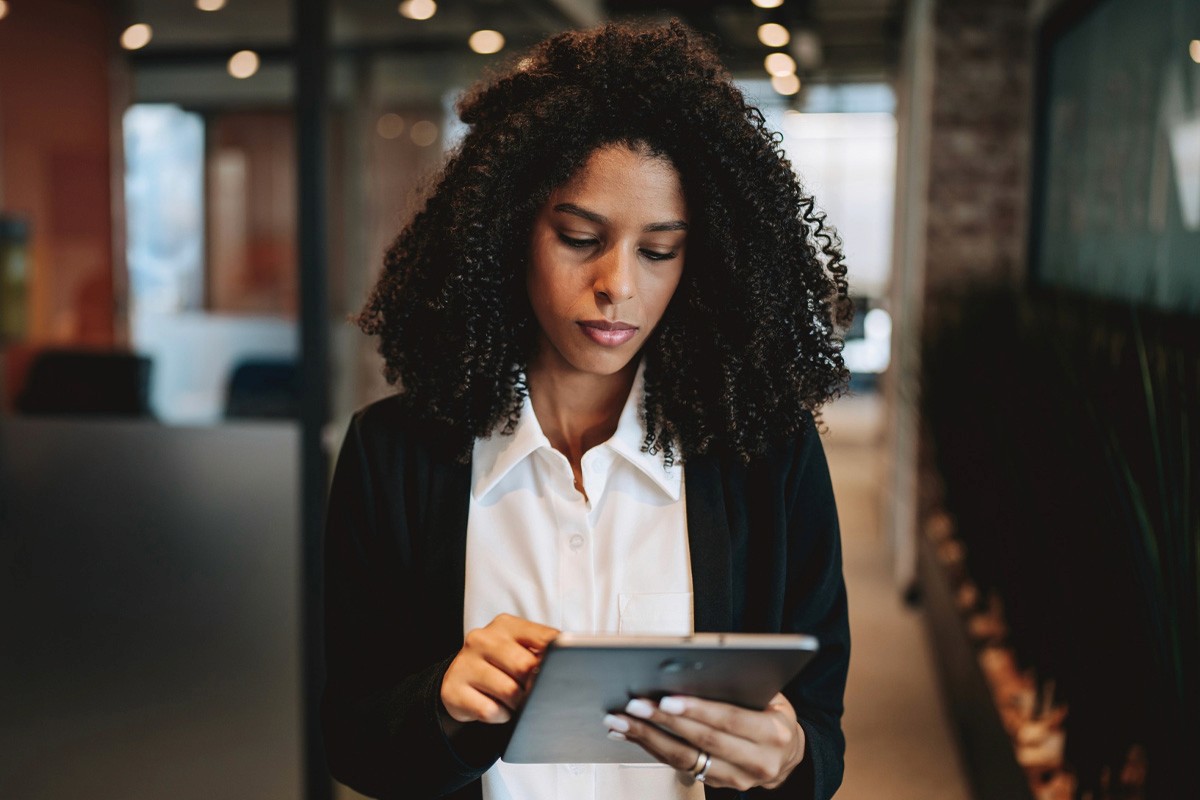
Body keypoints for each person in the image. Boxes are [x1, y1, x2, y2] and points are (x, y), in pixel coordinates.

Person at [322, 18, 852, 800]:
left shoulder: (765, 455)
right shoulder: (395, 455)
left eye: (659, 250)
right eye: (579, 237)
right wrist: (444, 704)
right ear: (509, 230)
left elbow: (817, 742)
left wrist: (787, 760)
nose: (619, 286)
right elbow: (352, 743)